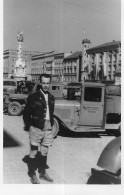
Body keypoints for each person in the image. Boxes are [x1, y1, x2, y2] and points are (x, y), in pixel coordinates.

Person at [23, 74, 55, 184]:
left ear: (50, 83)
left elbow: (51, 113)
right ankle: (32, 173)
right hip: (36, 127)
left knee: (45, 151)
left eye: (48, 83)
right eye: (44, 83)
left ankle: (42, 172)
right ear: (40, 83)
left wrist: (51, 126)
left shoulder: (51, 97)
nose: (46, 85)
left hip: (48, 128)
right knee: (34, 151)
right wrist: (28, 127)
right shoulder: (33, 96)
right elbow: (26, 113)